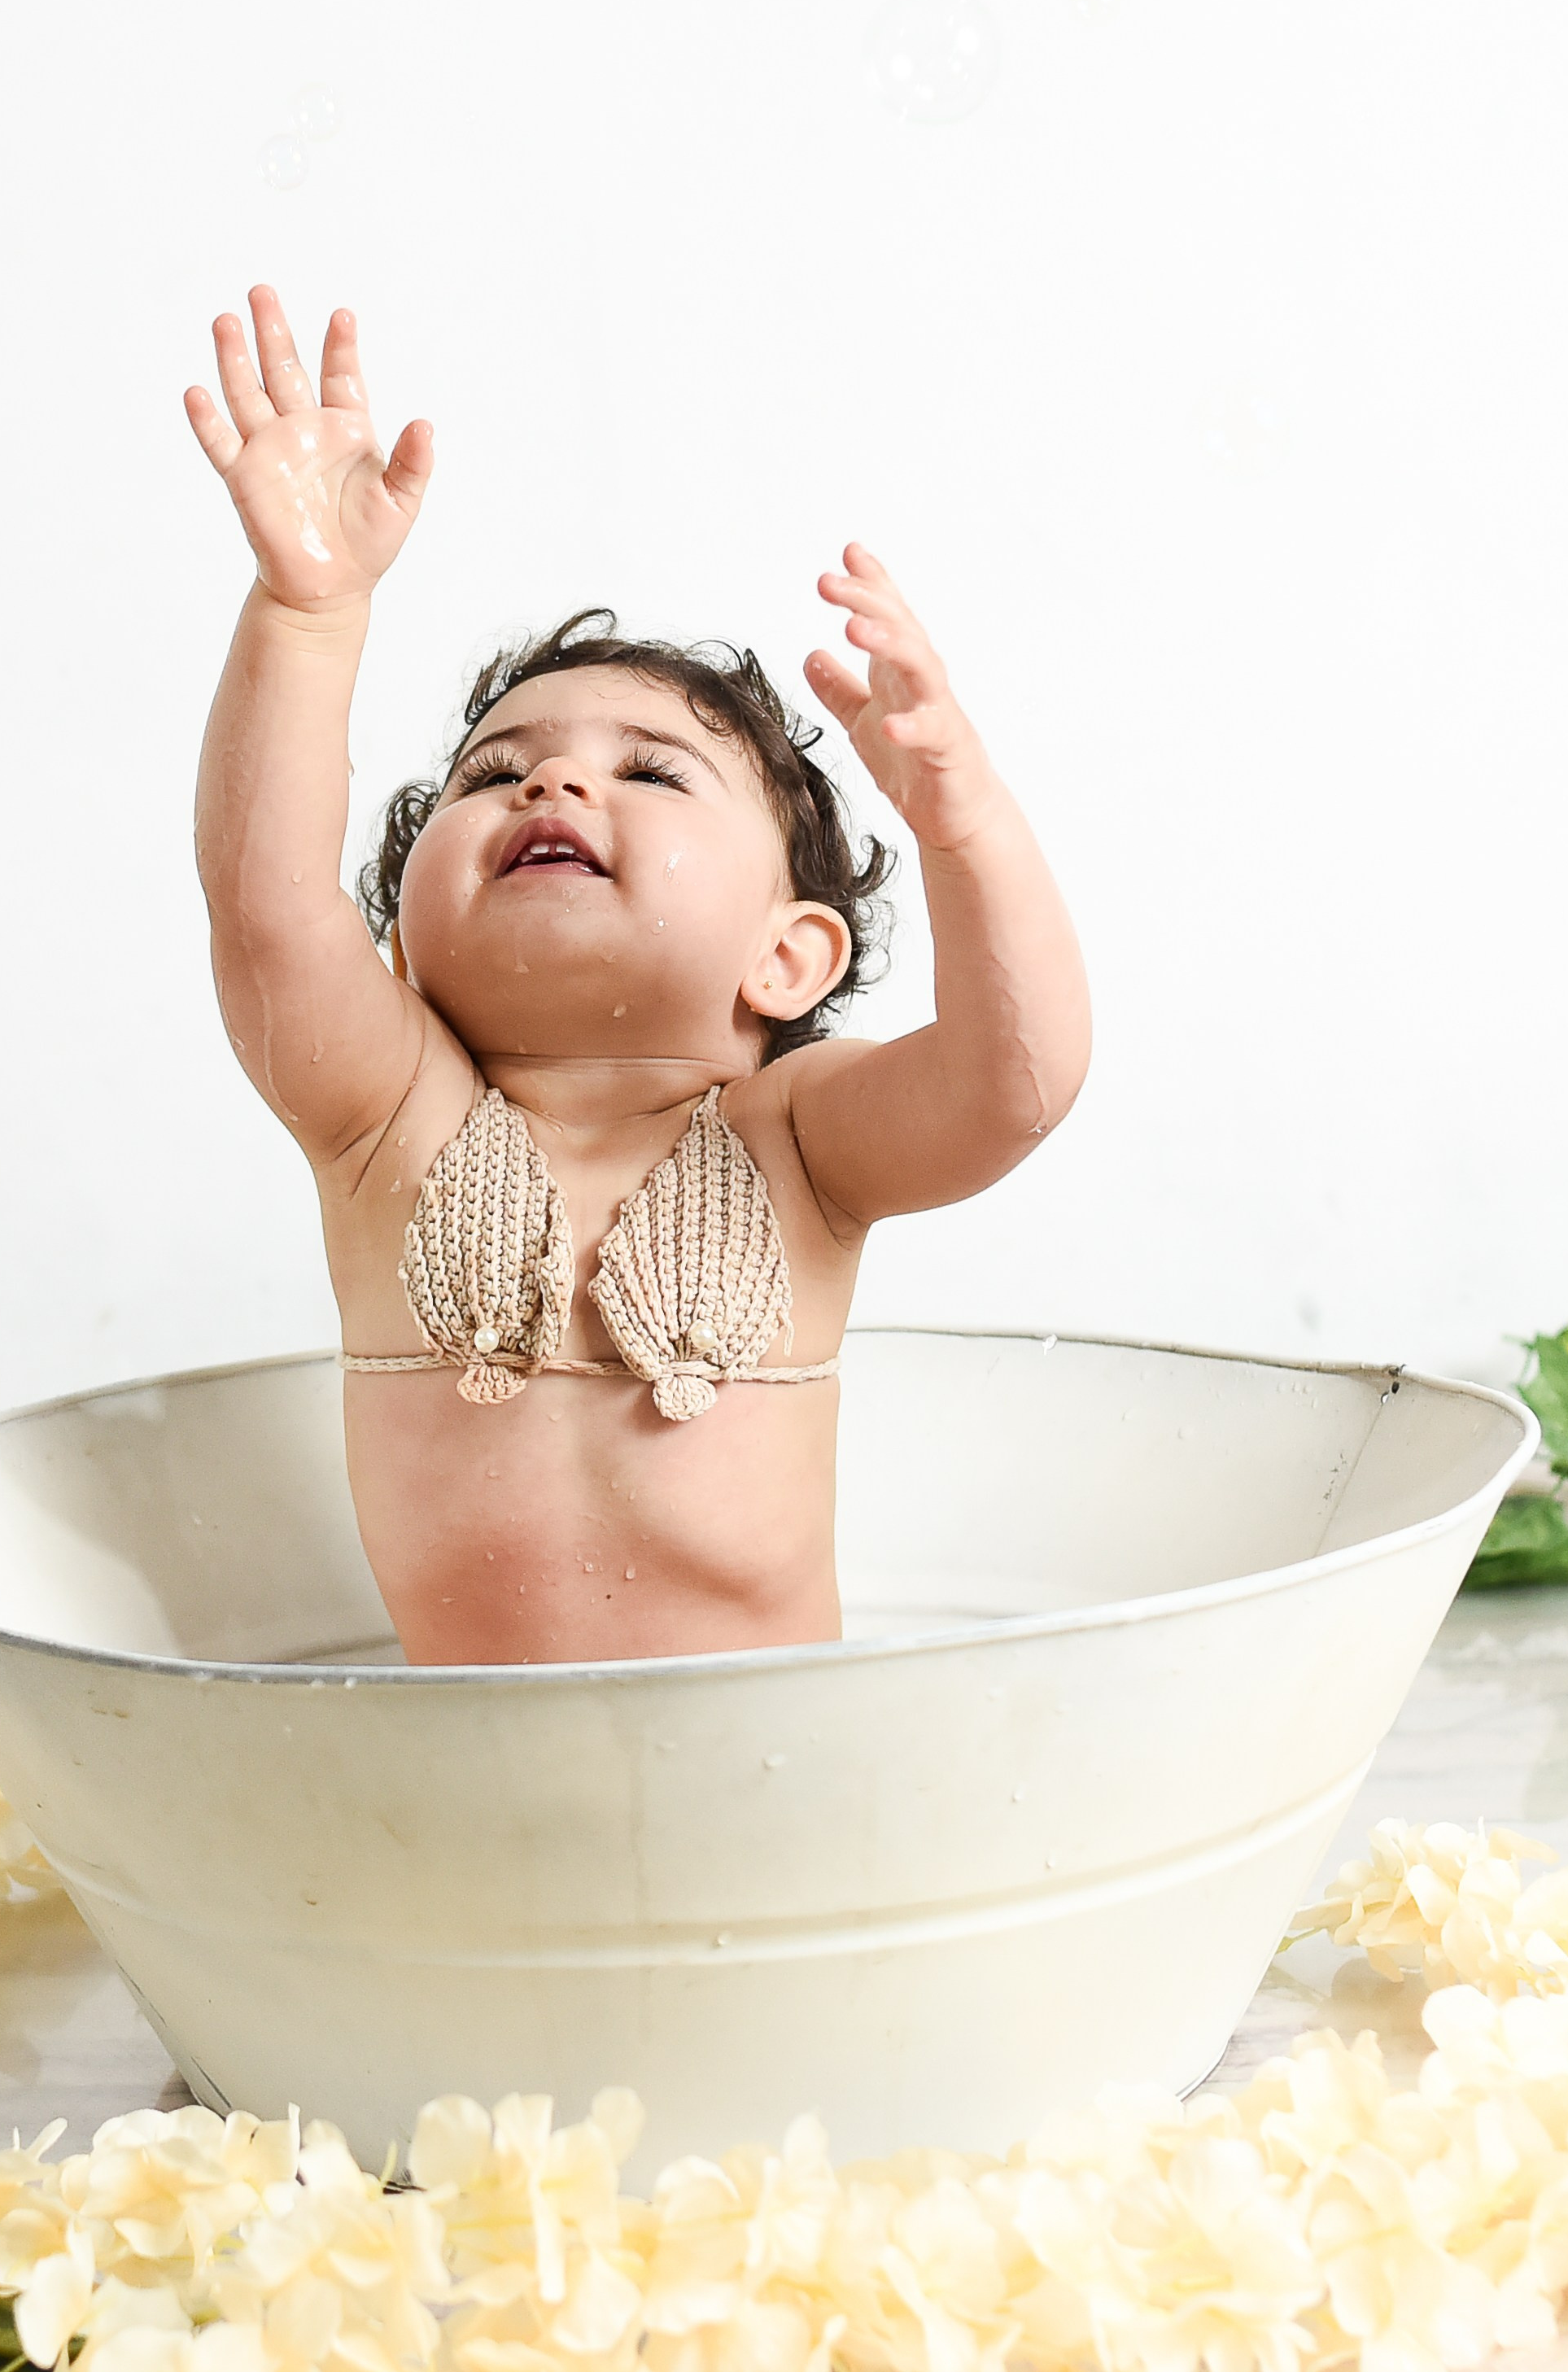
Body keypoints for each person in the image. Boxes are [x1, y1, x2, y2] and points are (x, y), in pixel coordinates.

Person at [185, 286, 1090, 1666]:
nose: (549, 777)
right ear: (401, 951)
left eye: (649, 771)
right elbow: (265, 913)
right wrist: (305, 615)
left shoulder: (799, 1144)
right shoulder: (388, 1120)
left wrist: (960, 818)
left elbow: (1012, 1084)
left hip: (770, 1764)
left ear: (787, 956)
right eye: (489, 775)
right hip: (476, 1790)